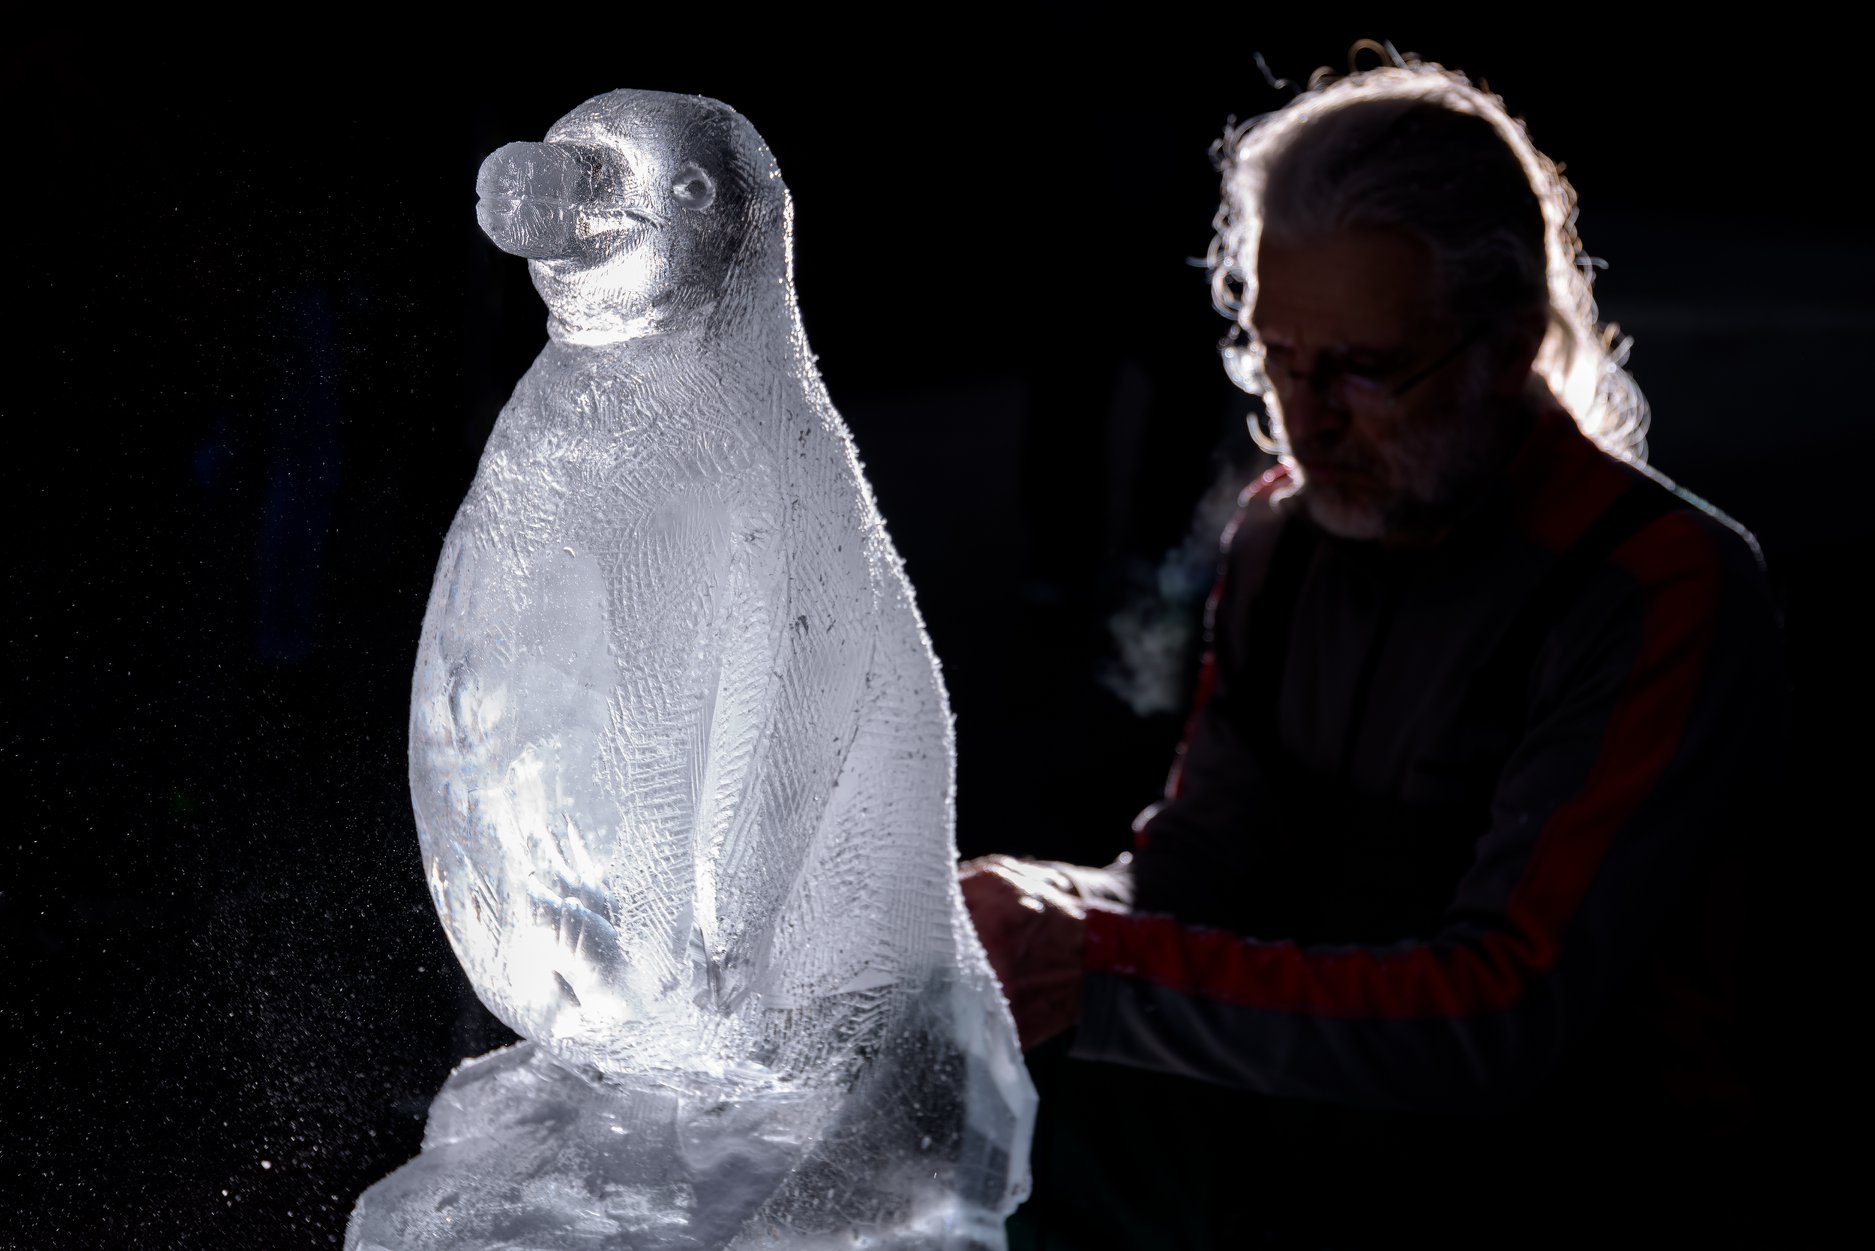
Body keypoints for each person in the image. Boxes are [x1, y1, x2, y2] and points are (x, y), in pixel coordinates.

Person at [961, 53, 1787, 1247]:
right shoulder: (1280, 541)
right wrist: (1026, 907)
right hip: (1323, 1140)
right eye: (1277, 356)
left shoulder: (1656, 588)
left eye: (1367, 369)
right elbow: (1194, 877)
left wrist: (1092, 971)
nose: (1307, 419)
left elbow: (1500, 1017)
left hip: (1577, 1182)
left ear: (1506, 346)